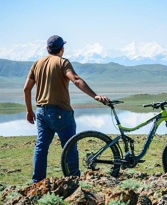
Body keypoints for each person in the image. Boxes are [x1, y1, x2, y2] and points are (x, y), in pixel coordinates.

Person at [24, 35, 110, 183]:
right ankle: (73, 180)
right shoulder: (63, 63)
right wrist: (94, 96)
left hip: (41, 111)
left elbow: (26, 89)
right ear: (62, 48)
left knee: (41, 147)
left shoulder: (37, 64)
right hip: (61, 112)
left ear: (47, 48)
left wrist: (29, 110)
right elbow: (76, 79)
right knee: (69, 146)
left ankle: (37, 182)